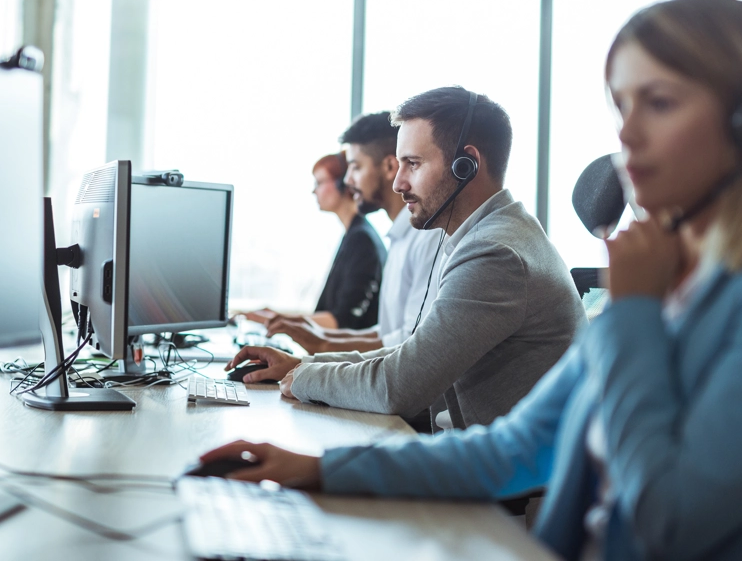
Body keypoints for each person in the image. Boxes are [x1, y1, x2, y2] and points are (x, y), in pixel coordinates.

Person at [202, 0, 742, 561]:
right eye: (621, 106)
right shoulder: (667, 282)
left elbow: (671, 520)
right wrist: (318, 469)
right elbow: (513, 449)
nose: (626, 135)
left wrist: (633, 314)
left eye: (658, 103)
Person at [226, 88, 586, 433]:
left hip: (506, 486)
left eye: (412, 164)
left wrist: (303, 378)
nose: (398, 183)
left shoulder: (494, 254)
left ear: (467, 165)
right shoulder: (498, 234)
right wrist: (303, 364)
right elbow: (411, 355)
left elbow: (398, 386)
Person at [256, 112, 439, 353]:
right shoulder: (397, 237)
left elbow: (409, 345)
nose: (349, 181)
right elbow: (386, 334)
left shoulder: (425, 237)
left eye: (356, 167)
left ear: (388, 167)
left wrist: (316, 352)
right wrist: (313, 337)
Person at [248, 152, 385, 331]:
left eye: (319, 183)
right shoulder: (353, 235)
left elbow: (342, 320)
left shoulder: (361, 240)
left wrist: (278, 319)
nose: (314, 191)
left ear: (343, 183)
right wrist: (277, 317)